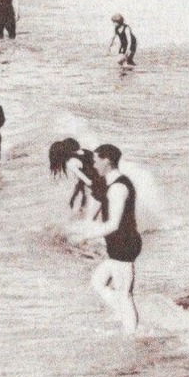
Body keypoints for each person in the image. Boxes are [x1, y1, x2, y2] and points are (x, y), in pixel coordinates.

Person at [72, 143, 141, 335]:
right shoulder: (113, 183)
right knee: (98, 282)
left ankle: (131, 334)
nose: (93, 165)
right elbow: (95, 186)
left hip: (124, 245)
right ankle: (125, 316)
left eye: (96, 161)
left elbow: (113, 224)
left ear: (107, 162)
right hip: (118, 244)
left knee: (124, 295)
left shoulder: (118, 188)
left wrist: (86, 236)